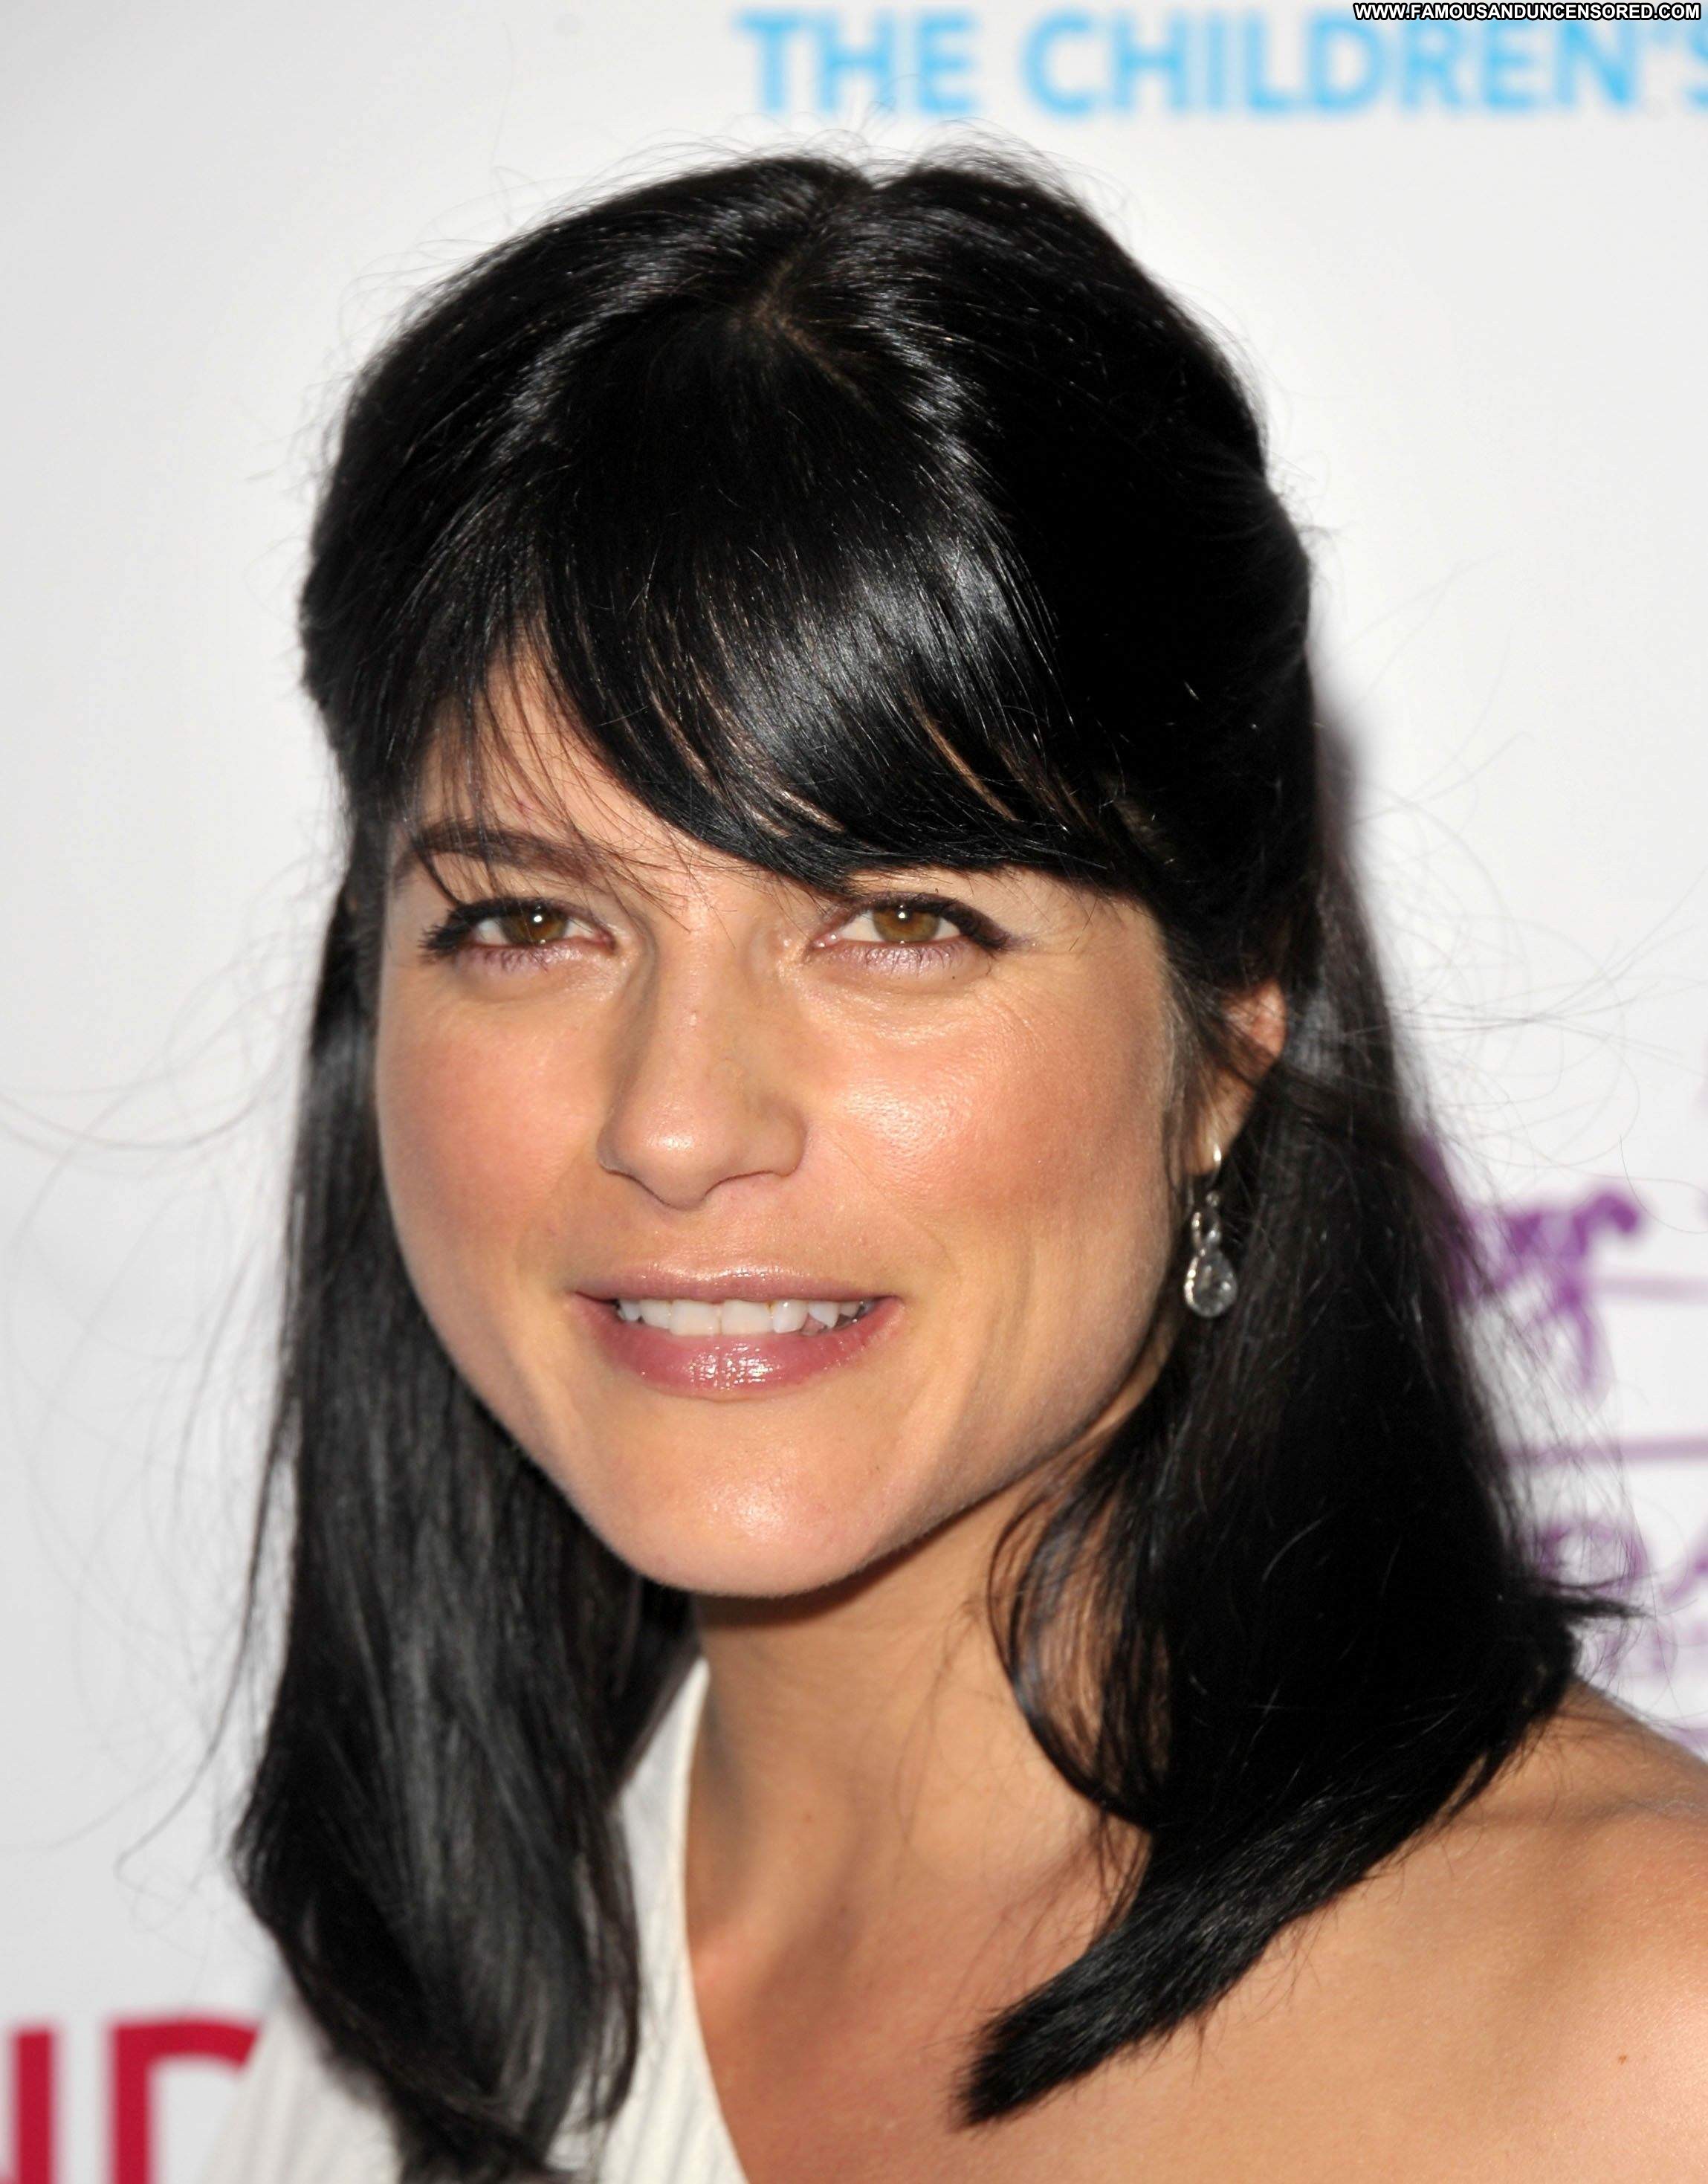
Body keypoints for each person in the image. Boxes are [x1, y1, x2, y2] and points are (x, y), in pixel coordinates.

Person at [202, 144, 1708, 2184]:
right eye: (531, 921)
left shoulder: (1651, 2033)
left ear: (1232, 1027)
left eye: (897, 923)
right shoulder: (404, 2034)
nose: (676, 1121)